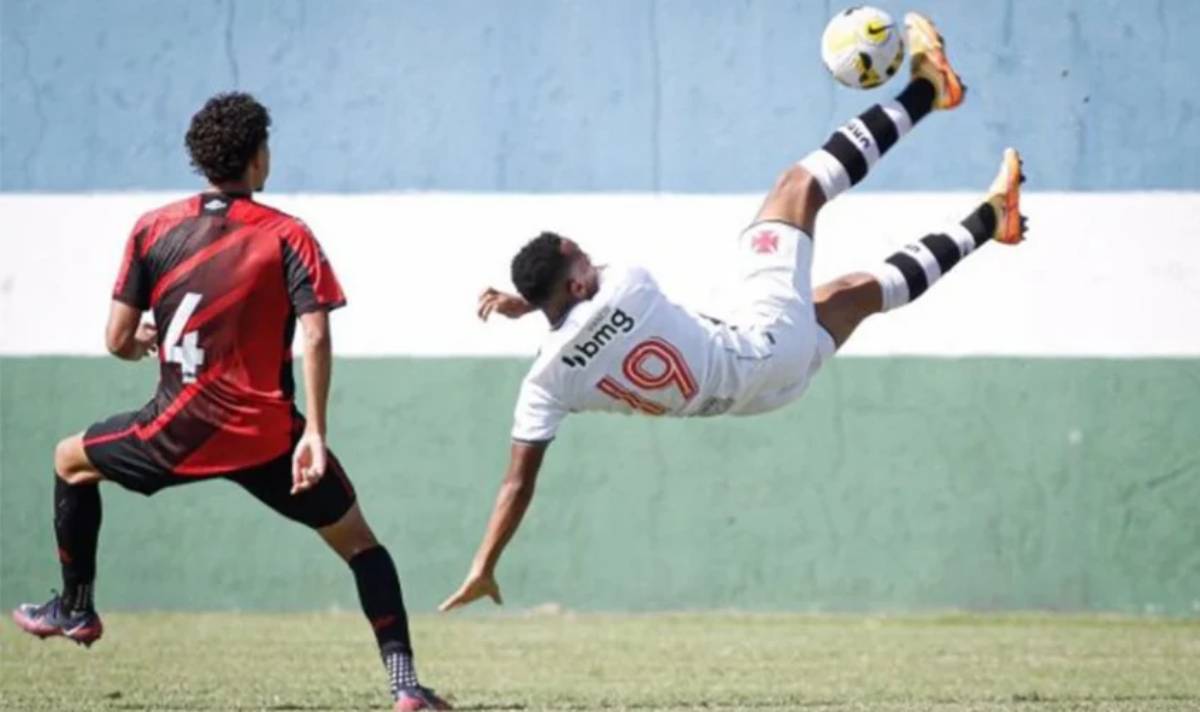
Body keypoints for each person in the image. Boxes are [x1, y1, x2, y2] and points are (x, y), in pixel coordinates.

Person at [440, 13, 1026, 613]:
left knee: (853, 293)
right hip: (760, 339)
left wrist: (484, 564)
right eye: (582, 255)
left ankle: (992, 221)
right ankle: (930, 89)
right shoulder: (624, 287)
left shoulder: (543, 384)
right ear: (576, 271)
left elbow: (517, 482)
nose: (591, 258)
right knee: (796, 186)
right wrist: (533, 301)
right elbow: (592, 291)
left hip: (761, 393)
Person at [11, 92, 450, 712]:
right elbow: (316, 333)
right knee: (362, 547)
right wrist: (315, 433)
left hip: (172, 430)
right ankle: (405, 686)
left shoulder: (152, 227)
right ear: (258, 158)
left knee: (68, 460)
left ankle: (76, 609)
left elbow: (115, 340)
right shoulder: (288, 234)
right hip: (267, 436)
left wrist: (143, 342)